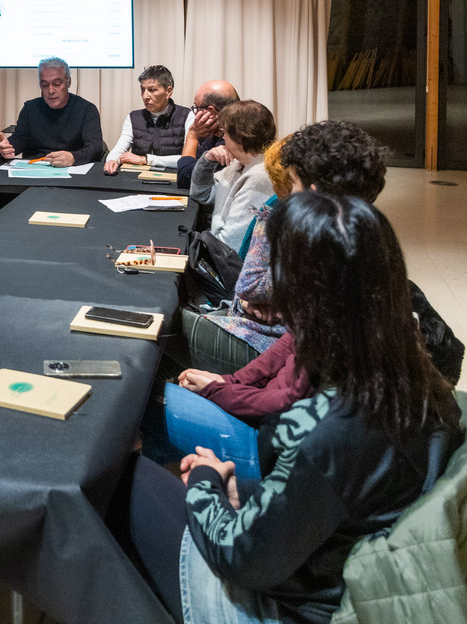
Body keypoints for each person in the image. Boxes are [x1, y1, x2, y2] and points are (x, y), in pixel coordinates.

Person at [114, 192, 464, 624]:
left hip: (301, 604)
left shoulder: (330, 428)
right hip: (340, 561)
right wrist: (251, 494)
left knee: (123, 476)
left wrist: (205, 482)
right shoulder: (417, 377)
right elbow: (334, 498)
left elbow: (243, 555)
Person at [179, 122, 388, 375]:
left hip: (272, 350)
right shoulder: (368, 229)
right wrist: (256, 304)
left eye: (293, 182)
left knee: (160, 331)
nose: (286, 193)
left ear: (315, 190)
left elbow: (250, 286)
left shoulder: (315, 234)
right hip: (274, 343)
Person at [188, 100, 275, 251]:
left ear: (239, 137)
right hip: (218, 250)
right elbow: (200, 194)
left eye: (225, 133)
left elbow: (231, 245)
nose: (223, 138)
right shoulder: (238, 165)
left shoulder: (260, 176)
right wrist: (207, 159)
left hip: (226, 263)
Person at [0, 57, 104, 166]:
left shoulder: (86, 110)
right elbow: (20, 139)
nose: (51, 91)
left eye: (57, 84)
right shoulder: (30, 108)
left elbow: (95, 148)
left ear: (69, 82)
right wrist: (8, 148)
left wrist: (73, 158)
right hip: (35, 169)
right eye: (45, 85)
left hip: (73, 170)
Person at [103, 65, 193, 174]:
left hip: (174, 178)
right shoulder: (134, 117)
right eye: (142, 90)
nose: (145, 96)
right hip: (138, 179)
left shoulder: (187, 116)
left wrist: (145, 160)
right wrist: (112, 160)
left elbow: (188, 160)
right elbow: (119, 150)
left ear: (168, 91)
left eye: (152, 90)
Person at [175, 81, 240, 189]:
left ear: (211, 111)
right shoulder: (214, 135)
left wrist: (192, 136)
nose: (194, 114)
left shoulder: (232, 141)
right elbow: (193, 161)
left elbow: (185, 178)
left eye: (196, 108)